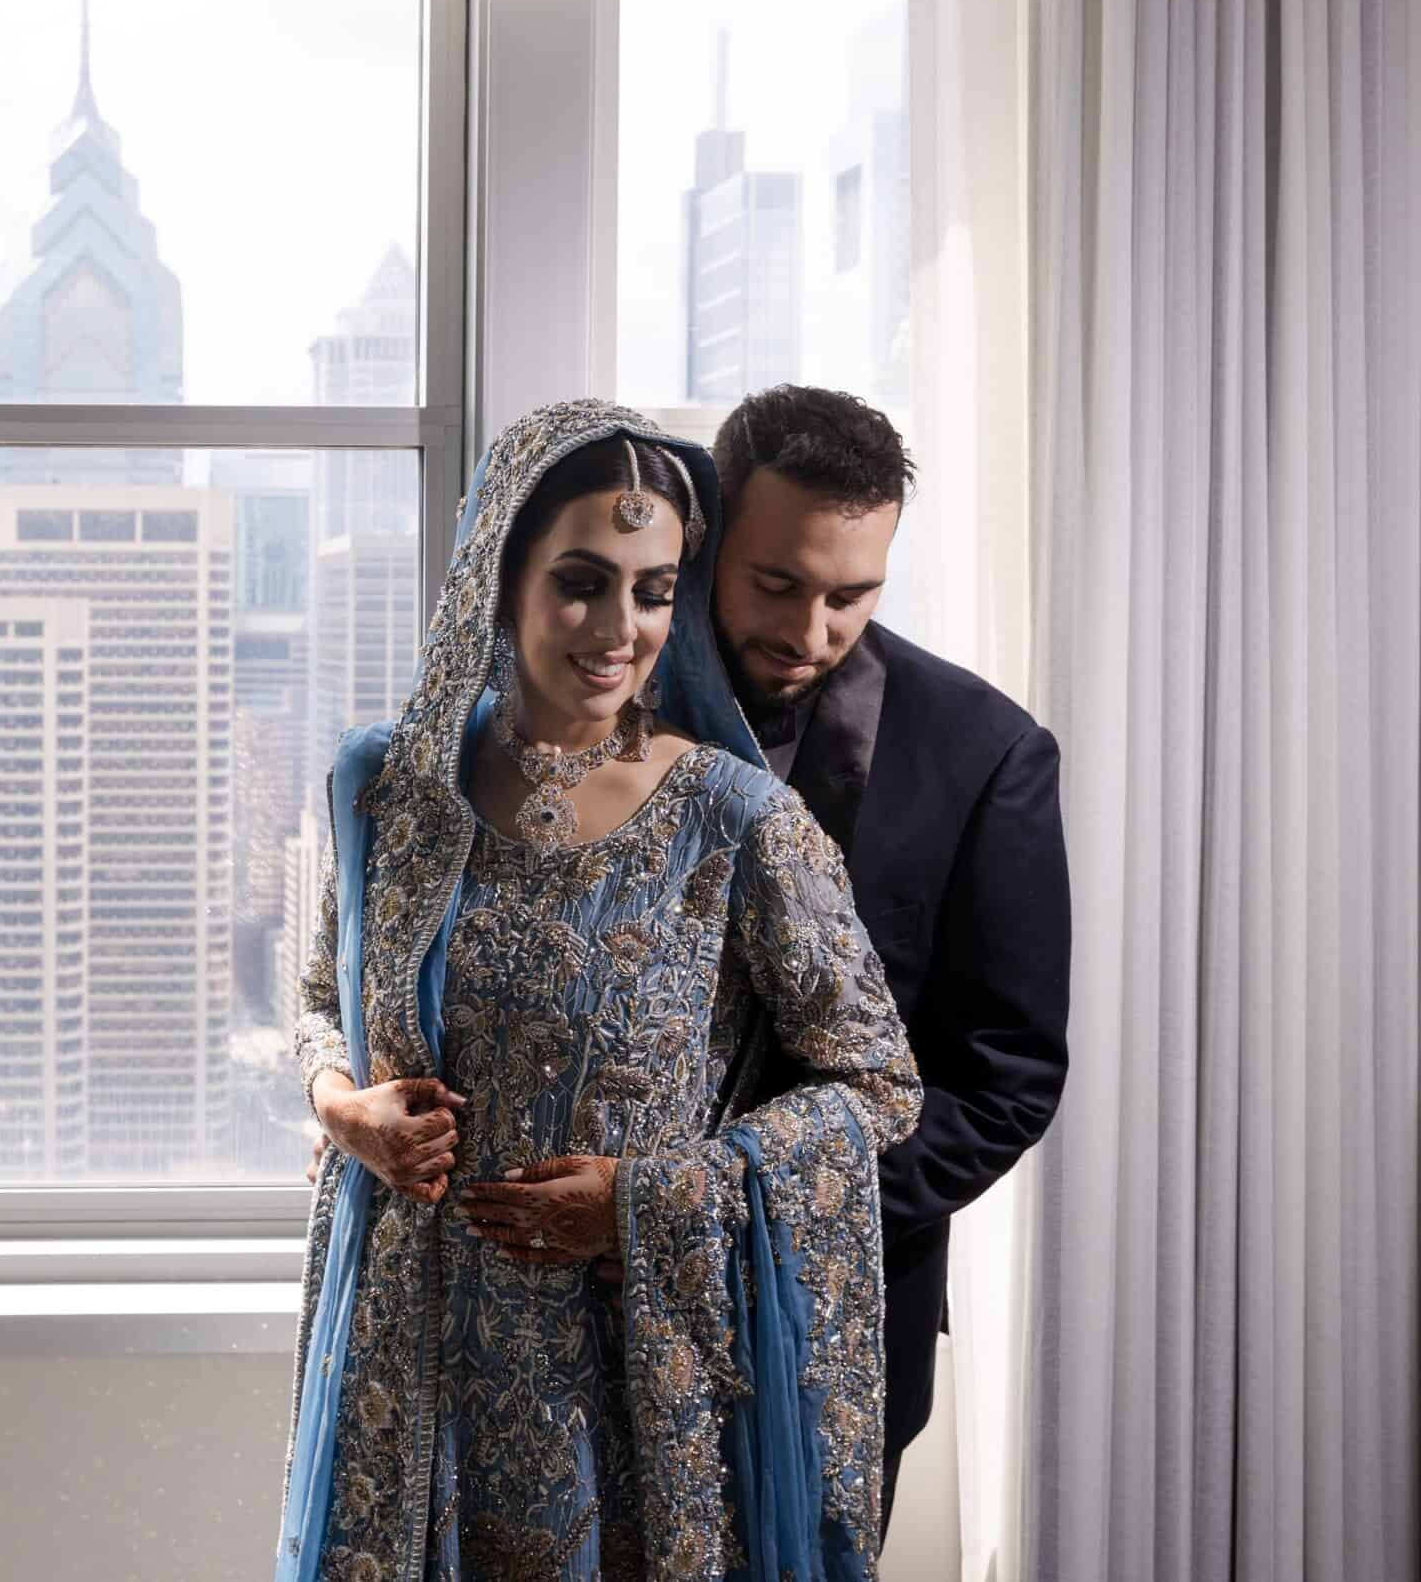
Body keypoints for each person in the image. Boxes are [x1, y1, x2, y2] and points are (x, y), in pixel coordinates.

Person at [277, 398, 921, 1581]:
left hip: (618, 1381)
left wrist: (653, 1196)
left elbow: (875, 1084)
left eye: (655, 588)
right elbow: (318, 996)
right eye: (581, 582)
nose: (620, 627)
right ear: (499, 576)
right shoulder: (385, 787)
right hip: (399, 1359)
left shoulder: (735, 822)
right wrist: (339, 1106)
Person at [706, 384, 1071, 1528]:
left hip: (838, 1321)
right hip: (574, 1315)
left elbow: (1002, 1083)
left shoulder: (989, 753)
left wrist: (746, 1223)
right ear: (710, 531)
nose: (810, 633)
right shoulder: (589, 702)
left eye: (850, 595)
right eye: (775, 584)